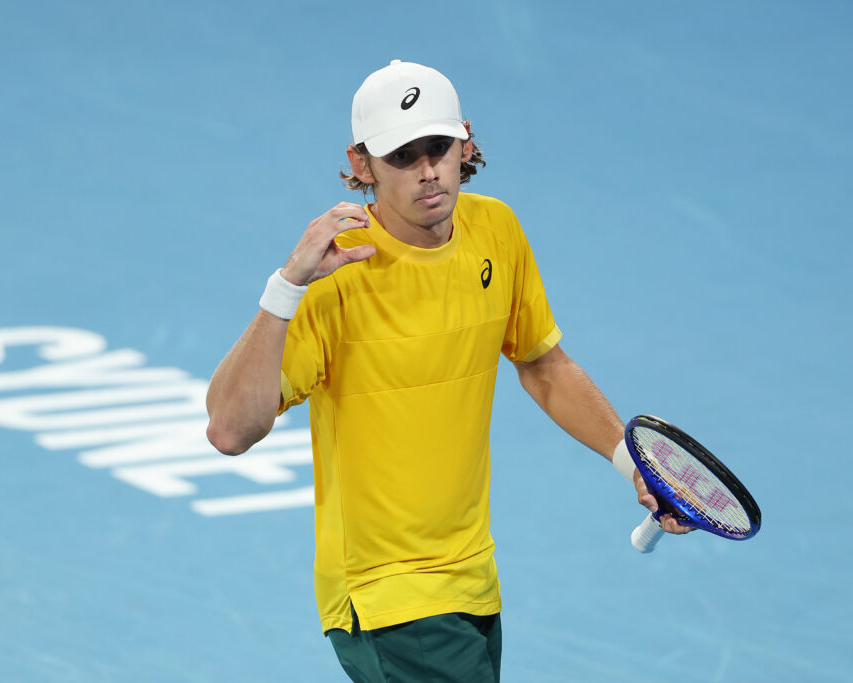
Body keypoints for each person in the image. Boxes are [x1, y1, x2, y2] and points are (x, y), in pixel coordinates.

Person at [205, 59, 691, 682]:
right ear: (361, 165)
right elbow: (228, 429)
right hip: (387, 597)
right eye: (403, 155)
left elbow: (542, 364)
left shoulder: (497, 231)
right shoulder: (336, 277)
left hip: (472, 583)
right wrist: (286, 287)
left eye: (438, 147)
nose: (428, 170)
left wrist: (634, 466)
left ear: (466, 141)